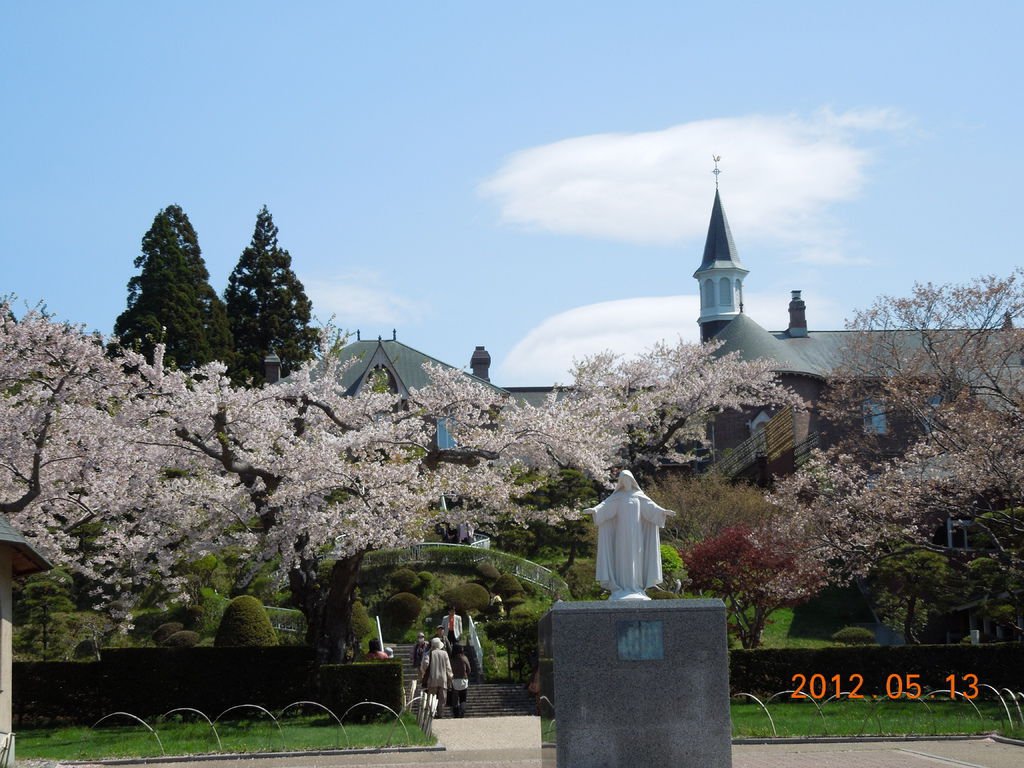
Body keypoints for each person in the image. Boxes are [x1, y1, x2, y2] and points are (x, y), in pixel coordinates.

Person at [583, 469, 675, 600]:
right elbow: (605, 506)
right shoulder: (617, 497)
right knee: (622, 558)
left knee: (636, 559)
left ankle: (636, 587)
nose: (626, 482)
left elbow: (651, 508)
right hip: (621, 534)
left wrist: (663, 512)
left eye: (628, 479)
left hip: (636, 535)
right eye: (623, 480)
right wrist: (594, 510)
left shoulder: (639, 495)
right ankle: (622, 587)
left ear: (632, 481)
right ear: (621, 482)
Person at [420, 637, 453, 717]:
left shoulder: (429, 653)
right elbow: (448, 667)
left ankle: (432, 713)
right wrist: (450, 676)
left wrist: (423, 672)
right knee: (442, 699)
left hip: (432, 678)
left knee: (431, 697)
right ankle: (440, 714)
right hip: (443, 679)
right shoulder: (444, 653)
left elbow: (425, 664)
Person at [449, 644, 471, 717]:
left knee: (455, 698)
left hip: (454, 680)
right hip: (463, 679)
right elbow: (469, 669)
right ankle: (462, 712)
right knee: (463, 698)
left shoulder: (451, 659)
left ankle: (456, 713)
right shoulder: (464, 658)